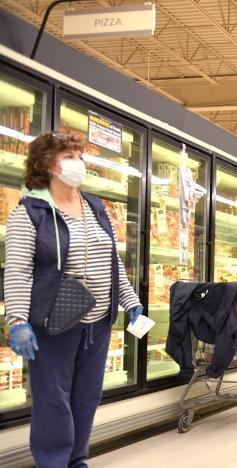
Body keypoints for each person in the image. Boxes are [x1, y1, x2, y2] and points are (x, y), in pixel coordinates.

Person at [4, 132, 144, 468]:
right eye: (68, 156)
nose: (77, 163)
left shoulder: (95, 206)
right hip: (54, 323)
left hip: (97, 323)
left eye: (78, 156)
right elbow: (19, 272)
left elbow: (113, 262)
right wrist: (18, 320)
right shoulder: (30, 213)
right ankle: (53, 462)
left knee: (86, 398)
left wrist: (130, 301)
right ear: (46, 164)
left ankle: (77, 460)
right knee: (53, 400)